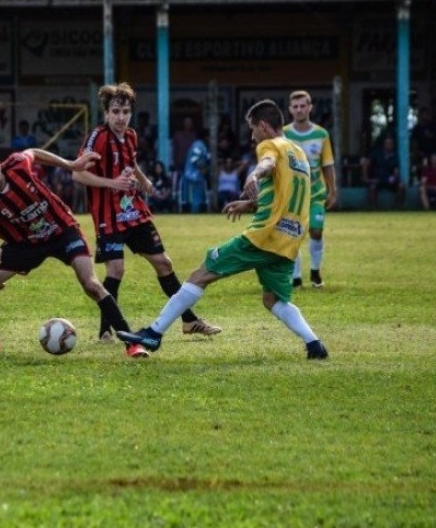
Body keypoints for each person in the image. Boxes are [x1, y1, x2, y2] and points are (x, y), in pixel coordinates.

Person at [118, 99, 328, 361]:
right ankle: (314, 345)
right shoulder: (299, 154)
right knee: (272, 299)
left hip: (264, 236)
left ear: (263, 126)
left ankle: (153, 333)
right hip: (290, 238)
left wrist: (253, 175)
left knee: (201, 273)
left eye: (253, 130)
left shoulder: (270, 145)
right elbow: (285, 196)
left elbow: (267, 163)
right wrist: (251, 204)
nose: (252, 137)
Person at [0, 145, 150, 359]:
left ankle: (131, 343)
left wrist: (71, 164)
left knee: (91, 285)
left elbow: (35, 152)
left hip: (62, 231)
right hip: (25, 244)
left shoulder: (16, 164)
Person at [73, 82, 220, 342]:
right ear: (106, 113)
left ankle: (189, 321)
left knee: (164, 263)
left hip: (134, 211)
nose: (121, 117)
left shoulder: (130, 135)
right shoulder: (98, 137)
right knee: (116, 269)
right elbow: (78, 173)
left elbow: (130, 162)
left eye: (125, 111)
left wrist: (143, 180)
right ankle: (106, 330)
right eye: (116, 111)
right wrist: (112, 183)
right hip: (108, 215)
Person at [284, 90, 337, 288]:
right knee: (294, 234)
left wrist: (333, 189)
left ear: (310, 107)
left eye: (302, 105)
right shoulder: (284, 134)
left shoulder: (322, 134)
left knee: (316, 231)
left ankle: (315, 272)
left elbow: (328, 164)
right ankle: (296, 277)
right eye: (295, 106)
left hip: (316, 193)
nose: (299, 110)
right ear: (290, 109)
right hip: (293, 195)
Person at [361, 134, 405, 209]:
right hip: (378, 179)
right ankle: (374, 208)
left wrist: (394, 178)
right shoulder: (377, 153)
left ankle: (397, 208)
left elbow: (396, 170)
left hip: (389, 179)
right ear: (384, 144)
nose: (389, 145)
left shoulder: (394, 156)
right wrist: (366, 178)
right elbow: (366, 163)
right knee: (372, 187)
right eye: (387, 143)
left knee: (402, 186)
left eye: (390, 143)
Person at [182, 128, 210, 213]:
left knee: (198, 198)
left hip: (197, 176)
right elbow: (195, 159)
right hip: (193, 176)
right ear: (205, 137)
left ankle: (195, 213)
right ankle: (193, 214)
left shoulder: (203, 145)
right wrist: (203, 169)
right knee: (194, 198)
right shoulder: (198, 145)